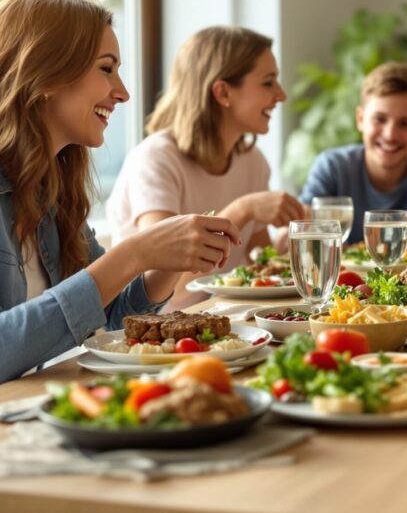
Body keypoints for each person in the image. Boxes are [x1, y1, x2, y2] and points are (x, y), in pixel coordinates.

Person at [0, 0, 240, 435]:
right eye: (106, 69)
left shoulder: (46, 187)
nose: (123, 92)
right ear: (44, 74)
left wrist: (167, 262)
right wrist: (134, 253)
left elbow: (110, 316)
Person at [107, 26, 303, 310]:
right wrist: (242, 210)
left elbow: (259, 263)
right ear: (223, 92)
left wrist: (287, 250)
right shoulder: (157, 159)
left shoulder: (253, 162)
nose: (281, 95)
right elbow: (165, 286)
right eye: (268, 82)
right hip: (157, 327)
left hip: (223, 318)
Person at [298, 62, 407, 248]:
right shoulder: (331, 166)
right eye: (379, 119)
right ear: (360, 119)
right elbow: (300, 232)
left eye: (405, 124)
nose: (390, 135)